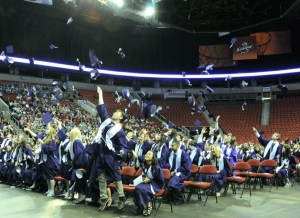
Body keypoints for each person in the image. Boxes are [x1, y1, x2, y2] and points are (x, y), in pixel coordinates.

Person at [95, 86, 128, 211]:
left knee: (115, 175)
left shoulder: (120, 132)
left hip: (110, 155)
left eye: (118, 113)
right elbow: (102, 109)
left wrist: (122, 152)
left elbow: (123, 146)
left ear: (121, 118)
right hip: (101, 153)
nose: (115, 112)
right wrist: (100, 94)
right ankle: (103, 197)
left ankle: (121, 196)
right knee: (101, 176)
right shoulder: (107, 122)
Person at [134, 150, 164, 216]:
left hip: (155, 184)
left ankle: (148, 206)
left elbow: (161, 180)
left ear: (153, 158)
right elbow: (144, 175)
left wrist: (149, 180)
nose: (147, 155)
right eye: (146, 153)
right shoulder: (145, 165)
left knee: (143, 189)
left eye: (149, 154)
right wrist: (144, 179)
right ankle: (140, 206)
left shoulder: (157, 167)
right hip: (147, 183)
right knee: (137, 188)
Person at [165, 139, 191, 205]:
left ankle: (179, 199)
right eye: (171, 145)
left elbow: (187, 167)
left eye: (173, 145)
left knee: (173, 181)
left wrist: (175, 171)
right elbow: (168, 163)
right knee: (166, 180)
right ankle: (169, 197)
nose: (171, 147)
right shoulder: (171, 153)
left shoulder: (184, 154)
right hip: (173, 172)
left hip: (183, 173)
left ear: (178, 146)